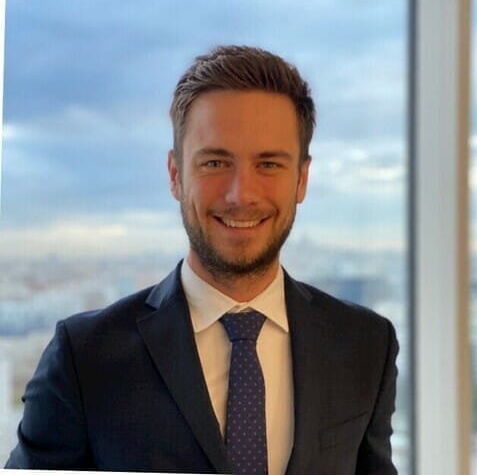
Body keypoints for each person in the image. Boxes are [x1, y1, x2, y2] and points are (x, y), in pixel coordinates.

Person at [5, 45, 398, 475]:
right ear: (176, 175)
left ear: (302, 179)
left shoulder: (365, 345)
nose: (240, 194)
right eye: (215, 161)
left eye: (268, 163)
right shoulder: (84, 360)